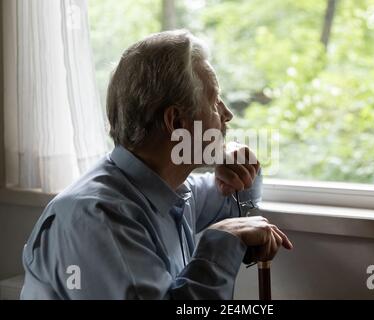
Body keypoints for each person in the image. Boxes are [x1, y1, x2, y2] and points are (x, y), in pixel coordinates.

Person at [21, 30, 293, 300]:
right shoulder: (98, 217)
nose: (227, 114)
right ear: (176, 122)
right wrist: (218, 243)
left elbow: (241, 195)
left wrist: (236, 159)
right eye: (214, 102)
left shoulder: (171, 188)